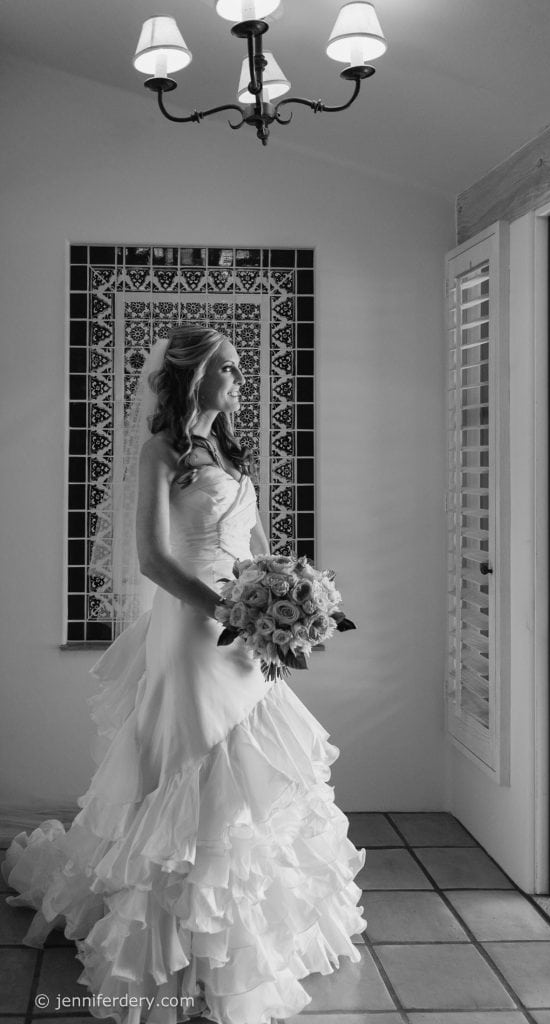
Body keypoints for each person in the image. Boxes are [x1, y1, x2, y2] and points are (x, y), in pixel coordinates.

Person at [1, 324, 367, 1024]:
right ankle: (174, 943)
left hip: (242, 631)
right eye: (228, 368)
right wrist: (232, 609)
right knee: (190, 760)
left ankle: (239, 935)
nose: (239, 380)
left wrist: (286, 595)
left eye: (239, 368)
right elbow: (152, 560)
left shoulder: (227, 450)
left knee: (250, 765)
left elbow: (252, 544)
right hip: (193, 626)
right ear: (193, 376)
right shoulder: (160, 451)